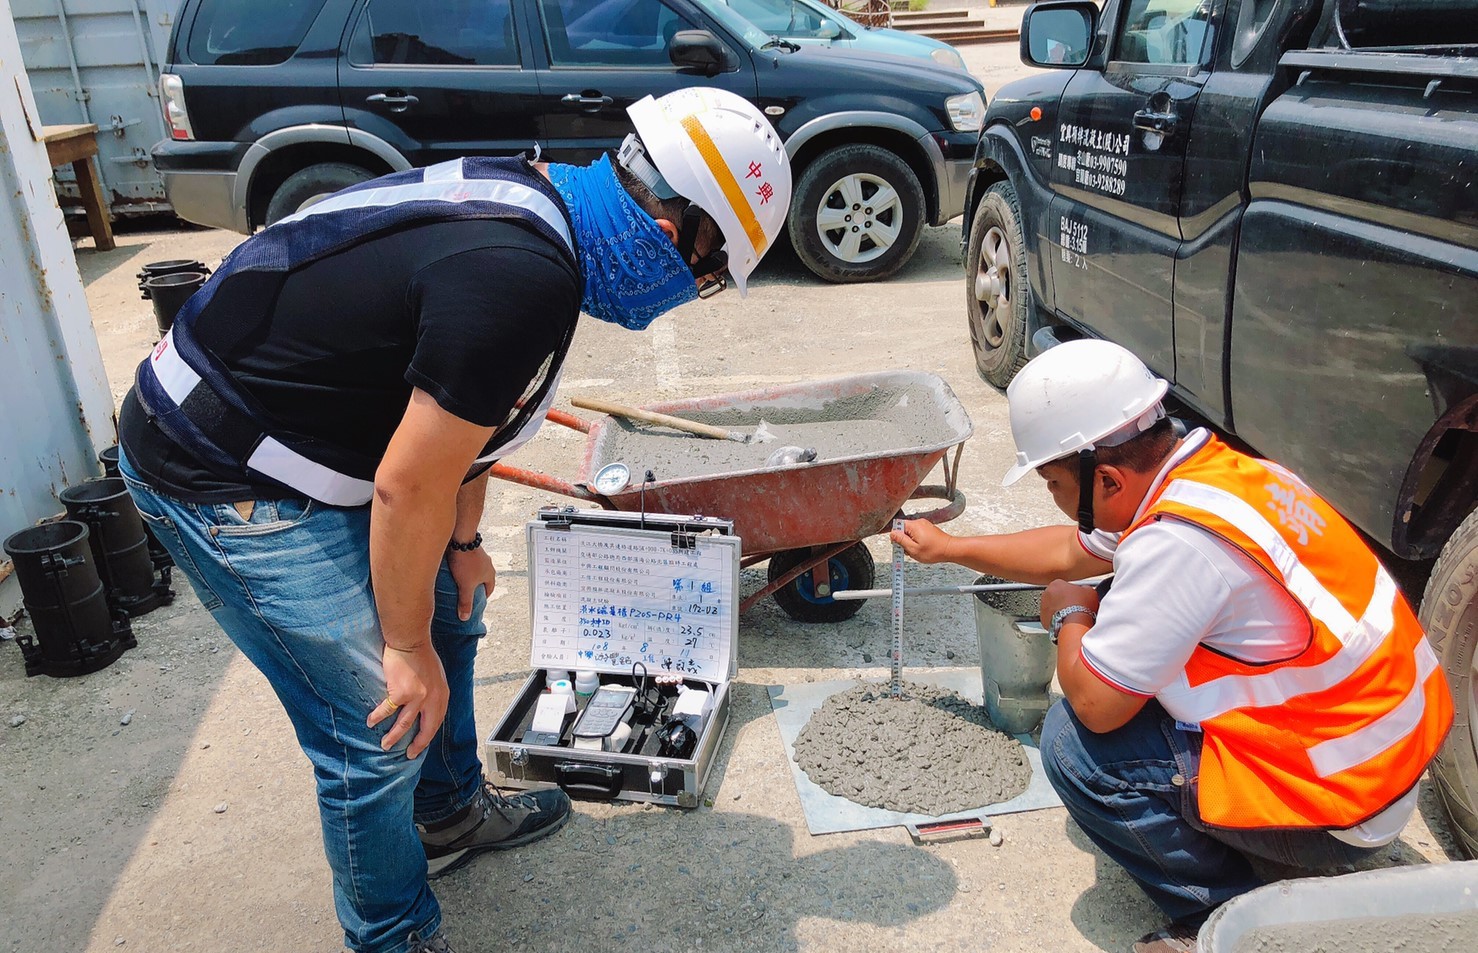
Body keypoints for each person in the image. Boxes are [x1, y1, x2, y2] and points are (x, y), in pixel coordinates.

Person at [117, 87, 790, 953]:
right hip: (217, 465)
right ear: (674, 235)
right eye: (706, 278)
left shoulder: (541, 212)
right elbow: (404, 485)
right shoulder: (522, 275)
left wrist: (464, 546)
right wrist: (402, 648)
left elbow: (462, 422)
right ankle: (394, 934)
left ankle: (445, 814)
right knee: (375, 724)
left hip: (301, 428)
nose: (688, 295)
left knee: (451, 608)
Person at [894, 339, 1453, 953]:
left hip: (1343, 806)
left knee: (1074, 749)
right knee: (1115, 612)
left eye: (1053, 482)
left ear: (1104, 477)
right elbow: (1069, 551)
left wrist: (1071, 617)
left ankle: (1222, 913)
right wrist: (952, 548)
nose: (1052, 496)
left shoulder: (1176, 546)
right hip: (1382, 757)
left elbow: (1095, 705)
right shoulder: (1212, 476)